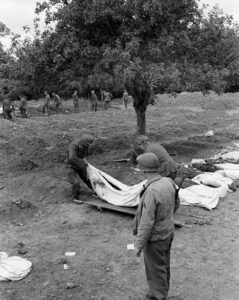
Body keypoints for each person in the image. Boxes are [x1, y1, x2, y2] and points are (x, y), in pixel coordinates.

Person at [133, 152, 180, 300]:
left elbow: (146, 223)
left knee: (155, 268)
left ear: (144, 170)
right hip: (168, 231)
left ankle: (158, 296)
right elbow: (177, 202)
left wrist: (139, 244)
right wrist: (166, 218)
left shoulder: (152, 191)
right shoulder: (168, 182)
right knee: (163, 264)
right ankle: (159, 291)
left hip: (156, 237)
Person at [66, 134, 95, 199]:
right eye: (88, 144)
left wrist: (85, 161)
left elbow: (83, 156)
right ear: (83, 142)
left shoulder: (85, 146)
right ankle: (74, 198)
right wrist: (82, 164)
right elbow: (71, 158)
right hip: (70, 166)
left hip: (79, 165)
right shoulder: (74, 145)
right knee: (76, 183)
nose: (88, 145)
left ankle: (96, 192)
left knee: (88, 178)